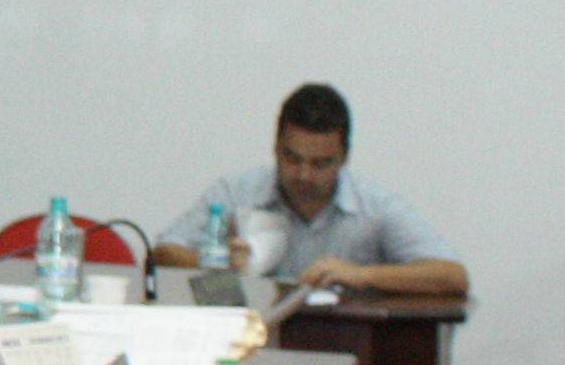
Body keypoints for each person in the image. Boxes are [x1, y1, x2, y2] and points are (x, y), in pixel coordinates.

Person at [151, 84, 467, 297]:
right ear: (275, 148)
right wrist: (215, 267)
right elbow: (164, 253)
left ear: (344, 157)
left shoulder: (375, 207)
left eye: (320, 163)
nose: (303, 174)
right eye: (292, 158)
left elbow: (452, 276)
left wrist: (363, 275)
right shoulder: (237, 193)